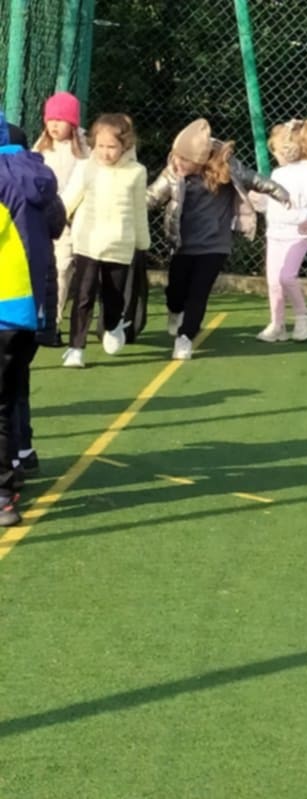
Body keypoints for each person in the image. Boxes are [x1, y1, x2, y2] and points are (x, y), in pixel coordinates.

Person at [146, 118, 290, 360]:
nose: (177, 162)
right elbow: (152, 196)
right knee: (176, 290)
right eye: (176, 156)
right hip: (183, 244)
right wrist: (127, 208)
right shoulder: (173, 172)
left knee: (199, 293)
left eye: (184, 160)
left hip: (215, 246)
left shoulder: (227, 168)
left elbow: (255, 179)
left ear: (199, 160)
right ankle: (174, 311)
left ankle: (185, 337)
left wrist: (280, 192)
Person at [0, 110, 63, 525]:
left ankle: (4, 492)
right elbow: (56, 224)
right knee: (12, 391)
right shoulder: (38, 177)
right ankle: (20, 457)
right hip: (28, 308)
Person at [60, 113, 150, 367]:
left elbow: (138, 211)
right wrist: (52, 221)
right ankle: (75, 348)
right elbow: (69, 199)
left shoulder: (136, 172)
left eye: (112, 147)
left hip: (119, 245)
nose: (105, 152)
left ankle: (113, 324)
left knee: (113, 296)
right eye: (100, 146)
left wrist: (142, 243)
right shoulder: (85, 168)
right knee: (83, 296)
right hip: (87, 242)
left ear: (125, 146)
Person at [255, 118, 307, 343]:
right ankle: (277, 324)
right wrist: (258, 200)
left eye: (276, 150)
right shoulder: (278, 174)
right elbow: (271, 203)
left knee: (286, 277)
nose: (274, 155)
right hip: (275, 233)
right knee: (273, 281)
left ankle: (303, 316)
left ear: (288, 150)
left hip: (296, 234)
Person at [33, 91, 89, 342]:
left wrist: (65, 211)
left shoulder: (83, 151)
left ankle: (53, 323)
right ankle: (38, 319)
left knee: (62, 267)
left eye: (61, 119)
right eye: (50, 119)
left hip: (68, 221)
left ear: (73, 123)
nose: (54, 125)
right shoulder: (41, 147)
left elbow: (82, 185)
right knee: (41, 268)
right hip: (41, 219)